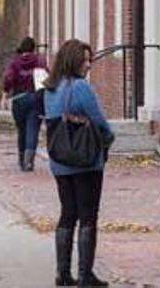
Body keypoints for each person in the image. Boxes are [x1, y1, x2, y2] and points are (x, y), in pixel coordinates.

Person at [43, 39, 113, 287]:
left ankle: (62, 274)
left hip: (60, 162)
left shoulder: (50, 88)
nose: (89, 64)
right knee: (88, 216)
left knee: (67, 214)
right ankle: (85, 275)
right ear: (73, 60)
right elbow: (100, 123)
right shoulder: (81, 87)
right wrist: (108, 139)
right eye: (85, 60)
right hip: (85, 161)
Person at [2, 37, 49, 172]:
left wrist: (4, 96)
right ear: (33, 48)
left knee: (22, 130)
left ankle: (21, 160)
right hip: (35, 100)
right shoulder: (39, 61)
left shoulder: (15, 63)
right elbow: (47, 78)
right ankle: (29, 161)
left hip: (19, 100)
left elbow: (8, 78)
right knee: (32, 129)